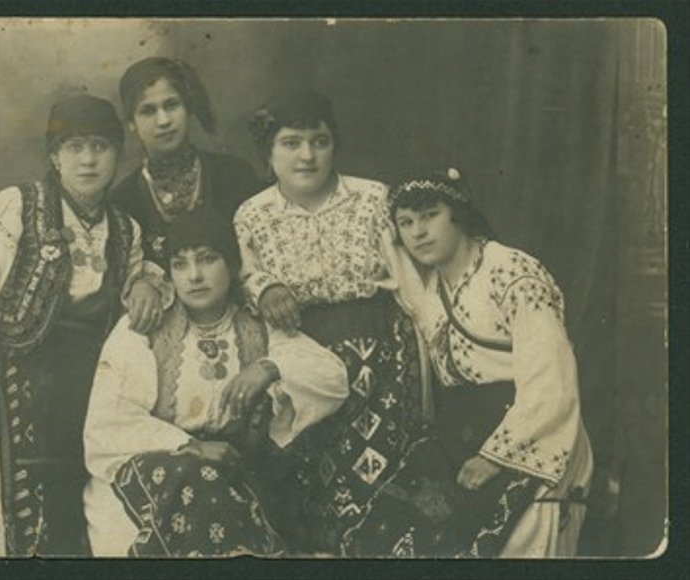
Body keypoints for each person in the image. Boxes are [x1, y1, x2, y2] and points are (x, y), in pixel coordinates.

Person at [0, 94, 167, 556]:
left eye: (100, 147)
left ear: (118, 156)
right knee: (6, 515)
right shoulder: (15, 207)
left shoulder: (125, 229)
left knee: (70, 511)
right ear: (55, 157)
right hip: (9, 384)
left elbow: (144, 275)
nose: (88, 160)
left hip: (85, 396)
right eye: (74, 147)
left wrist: (145, 283)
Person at [82, 207, 349, 557]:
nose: (194, 276)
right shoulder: (144, 329)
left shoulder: (256, 324)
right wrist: (190, 446)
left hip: (238, 474)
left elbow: (332, 377)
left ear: (233, 266)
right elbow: (107, 424)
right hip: (152, 480)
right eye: (180, 264)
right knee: (198, 477)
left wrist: (268, 367)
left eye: (207, 260)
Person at [234, 90, 432, 555]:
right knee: (312, 488)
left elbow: (407, 279)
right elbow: (243, 275)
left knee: (382, 483)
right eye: (291, 142)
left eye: (319, 141)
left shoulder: (371, 199)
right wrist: (266, 287)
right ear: (268, 152)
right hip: (302, 350)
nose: (307, 155)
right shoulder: (252, 214)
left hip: (379, 349)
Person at [382, 167, 593, 557]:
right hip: (467, 437)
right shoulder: (430, 287)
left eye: (430, 215)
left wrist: (495, 457)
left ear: (458, 213)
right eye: (405, 222)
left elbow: (552, 380)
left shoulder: (511, 272)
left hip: (533, 438)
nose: (418, 233)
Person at [111, 57, 263, 268]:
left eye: (171, 105)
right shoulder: (123, 201)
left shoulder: (235, 176)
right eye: (148, 111)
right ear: (131, 124)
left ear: (188, 108)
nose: (163, 121)